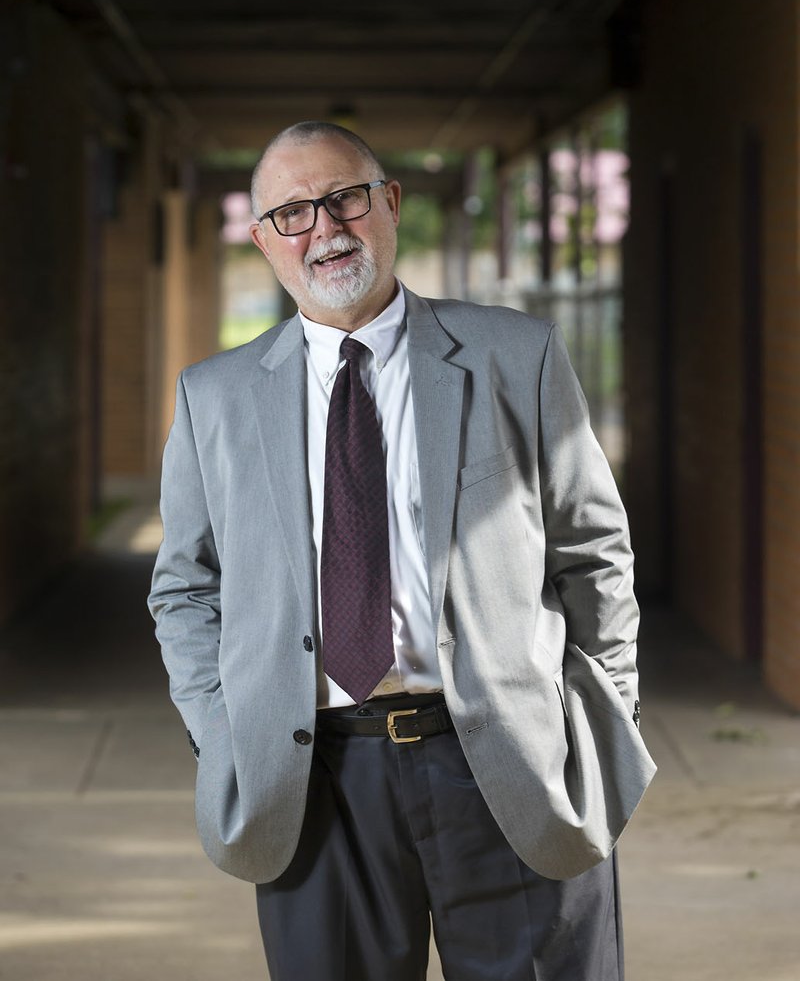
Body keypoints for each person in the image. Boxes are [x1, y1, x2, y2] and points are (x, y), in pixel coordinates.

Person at [148, 121, 656, 981]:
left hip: (508, 762)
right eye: (294, 213)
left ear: (388, 203)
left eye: (346, 197)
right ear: (264, 239)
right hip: (315, 781)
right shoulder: (216, 397)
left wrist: (605, 715)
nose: (327, 228)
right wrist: (224, 729)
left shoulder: (514, 354)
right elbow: (186, 587)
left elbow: (592, 547)